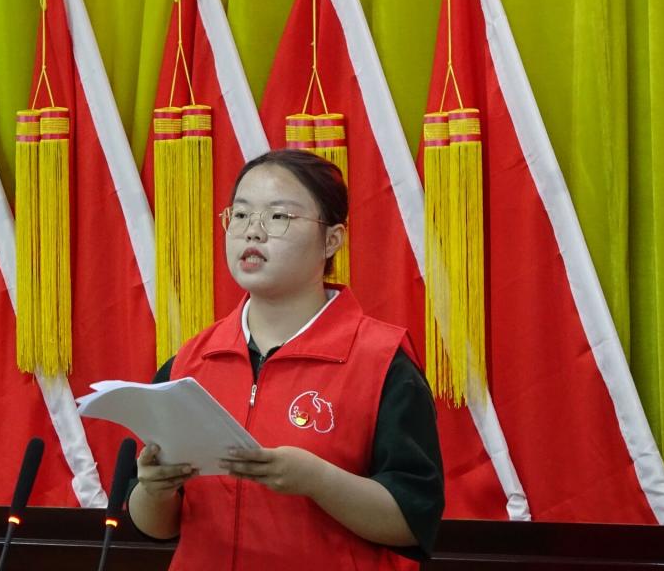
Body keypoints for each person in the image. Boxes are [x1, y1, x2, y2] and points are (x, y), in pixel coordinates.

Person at [128, 149, 444, 570]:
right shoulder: (190, 363)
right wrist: (154, 490)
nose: (252, 232)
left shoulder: (381, 362)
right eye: (241, 215)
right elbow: (155, 527)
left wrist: (316, 480)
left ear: (332, 239)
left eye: (278, 217)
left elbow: (413, 520)